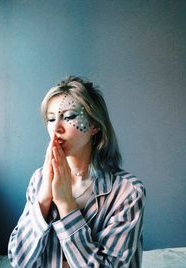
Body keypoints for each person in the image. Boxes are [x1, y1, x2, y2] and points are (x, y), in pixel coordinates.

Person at [8, 76, 146, 268]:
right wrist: (44, 199)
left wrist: (66, 205)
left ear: (95, 126)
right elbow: (19, 260)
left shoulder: (128, 192)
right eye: (50, 119)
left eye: (70, 116)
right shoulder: (38, 180)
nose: (56, 128)